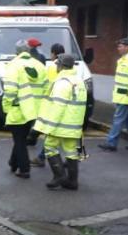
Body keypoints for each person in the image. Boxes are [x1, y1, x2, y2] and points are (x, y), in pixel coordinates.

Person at [34, 53, 88, 190]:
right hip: (73, 124)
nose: (56, 67)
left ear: (61, 66)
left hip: (60, 125)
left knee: (50, 147)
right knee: (71, 151)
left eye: (57, 64)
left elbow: (57, 106)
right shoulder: (79, 81)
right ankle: (72, 181)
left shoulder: (62, 82)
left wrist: (49, 127)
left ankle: (59, 176)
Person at [3, 39, 47, 178]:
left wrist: (6, 107)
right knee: (20, 137)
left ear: (16, 52)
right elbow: (46, 88)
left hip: (19, 108)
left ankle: (24, 169)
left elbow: (10, 90)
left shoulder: (14, 65)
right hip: (34, 110)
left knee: (19, 140)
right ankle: (13, 162)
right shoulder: (39, 65)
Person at [99, 37, 128, 151]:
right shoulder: (124, 60)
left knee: (118, 119)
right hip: (123, 95)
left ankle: (111, 143)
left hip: (127, 96)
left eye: (120, 46)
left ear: (127, 47)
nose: (118, 48)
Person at [30, 43, 66, 167]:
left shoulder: (51, 67)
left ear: (54, 54)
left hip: (52, 104)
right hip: (67, 105)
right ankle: (70, 159)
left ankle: (43, 158)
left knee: (50, 133)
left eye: (51, 53)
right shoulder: (71, 67)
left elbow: (47, 86)